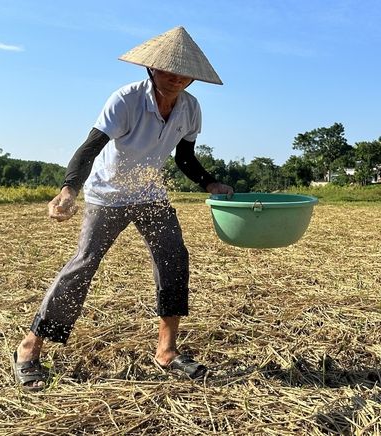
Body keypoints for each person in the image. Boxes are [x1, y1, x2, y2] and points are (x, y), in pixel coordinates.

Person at [12, 26, 234, 391]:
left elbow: (185, 158)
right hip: (109, 194)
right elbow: (90, 148)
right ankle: (29, 347)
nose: (176, 78)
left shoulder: (191, 109)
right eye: (167, 70)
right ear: (150, 69)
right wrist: (69, 191)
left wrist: (209, 182)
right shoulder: (127, 100)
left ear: (194, 77)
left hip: (149, 193)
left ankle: (166, 351)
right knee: (84, 263)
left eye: (184, 73)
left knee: (174, 259)